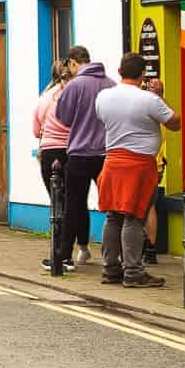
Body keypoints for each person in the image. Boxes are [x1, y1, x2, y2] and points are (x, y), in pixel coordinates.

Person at [92, 54, 178, 287]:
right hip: (139, 164)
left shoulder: (103, 97)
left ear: (120, 71)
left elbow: (102, 120)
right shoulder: (149, 100)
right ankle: (133, 272)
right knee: (134, 215)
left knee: (113, 215)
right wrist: (159, 95)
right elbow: (175, 123)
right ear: (142, 74)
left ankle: (110, 269)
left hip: (112, 161)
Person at [53, 46, 109, 268]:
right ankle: (117, 258)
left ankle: (64, 256)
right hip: (106, 153)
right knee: (114, 207)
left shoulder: (75, 85)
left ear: (73, 63)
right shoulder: (111, 84)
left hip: (79, 153)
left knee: (73, 205)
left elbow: (63, 118)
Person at [32, 57, 76, 273]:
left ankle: (60, 255)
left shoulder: (47, 97)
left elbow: (36, 128)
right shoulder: (78, 93)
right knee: (71, 204)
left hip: (50, 152)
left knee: (58, 204)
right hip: (76, 151)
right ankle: (67, 254)